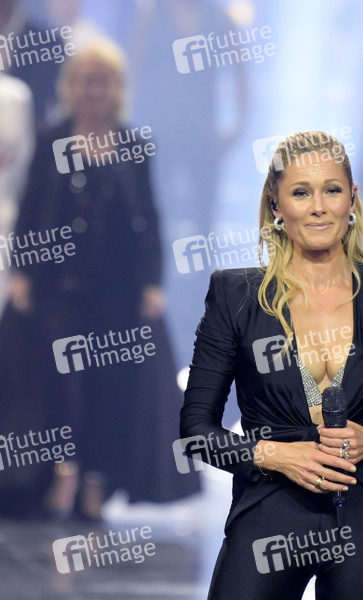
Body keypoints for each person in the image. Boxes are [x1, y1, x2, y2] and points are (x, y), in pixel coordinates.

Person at [180, 131, 363, 599]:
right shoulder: (236, 295)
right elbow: (196, 431)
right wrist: (276, 455)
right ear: (276, 205)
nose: (319, 207)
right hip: (268, 511)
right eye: (301, 193)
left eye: (332, 190)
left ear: (352, 199)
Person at [1, 39, 197, 519]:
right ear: (72, 86)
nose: (94, 91)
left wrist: (153, 284)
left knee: (111, 388)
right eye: (86, 81)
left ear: (117, 88)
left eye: (103, 82)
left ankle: (96, 480)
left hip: (117, 292)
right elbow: (31, 209)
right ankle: (61, 473)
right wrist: (22, 272)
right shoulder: (52, 139)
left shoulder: (135, 146)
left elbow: (149, 219)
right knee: (60, 383)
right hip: (57, 288)